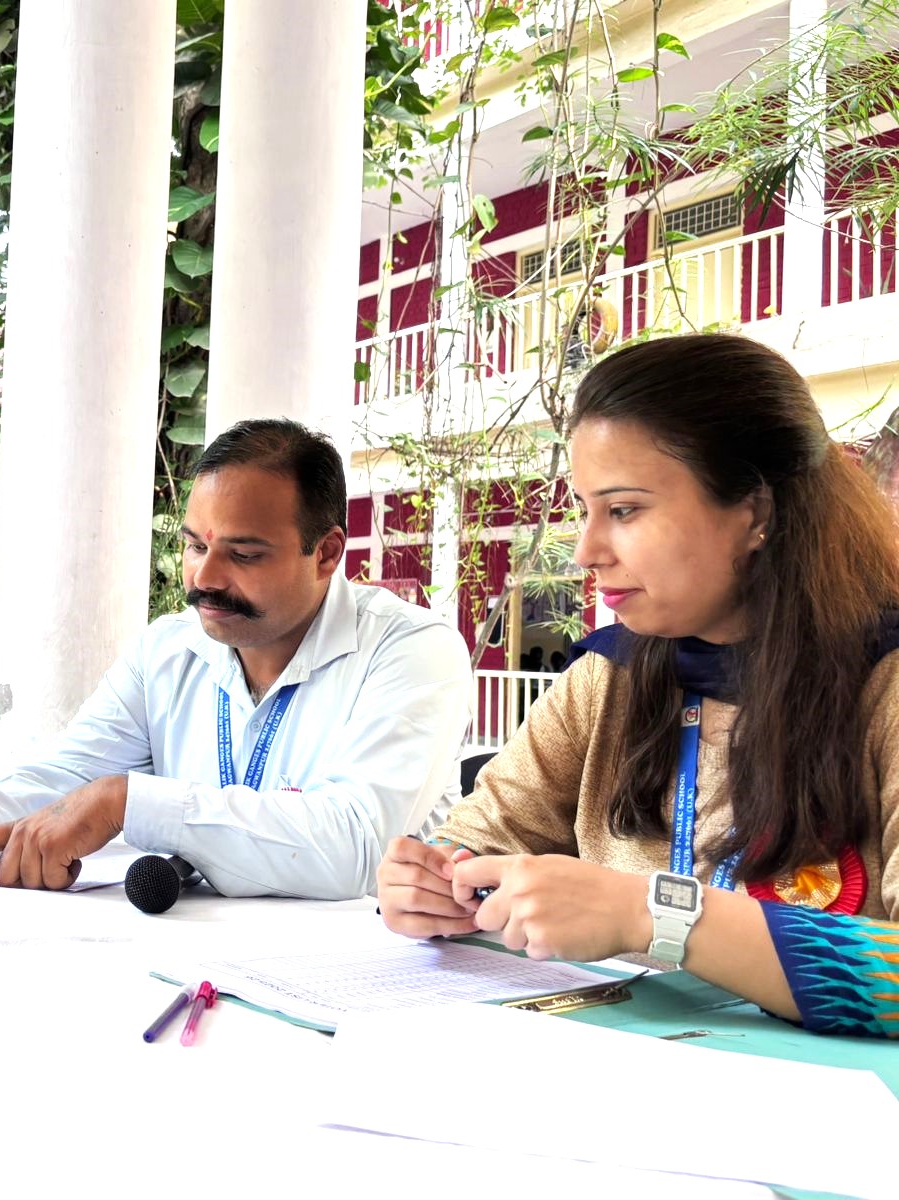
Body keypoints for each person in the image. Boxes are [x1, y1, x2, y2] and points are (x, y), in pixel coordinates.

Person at [378, 333, 899, 1038]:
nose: (586, 551)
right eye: (584, 510)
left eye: (623, 510)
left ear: (755, 513)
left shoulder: (884, 679)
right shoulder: (608, 675)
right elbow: (481, 837)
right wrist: (435, 884)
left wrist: (654, 914)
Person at [0, 418, 472, 899]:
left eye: (244, 555)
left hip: (352, 983)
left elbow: (357, 848)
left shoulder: (411, 650)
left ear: (327, 553)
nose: (206, 578)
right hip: (178, 965)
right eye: (195, 546)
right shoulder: (169, 648)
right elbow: (67, 779)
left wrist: (130, 801)